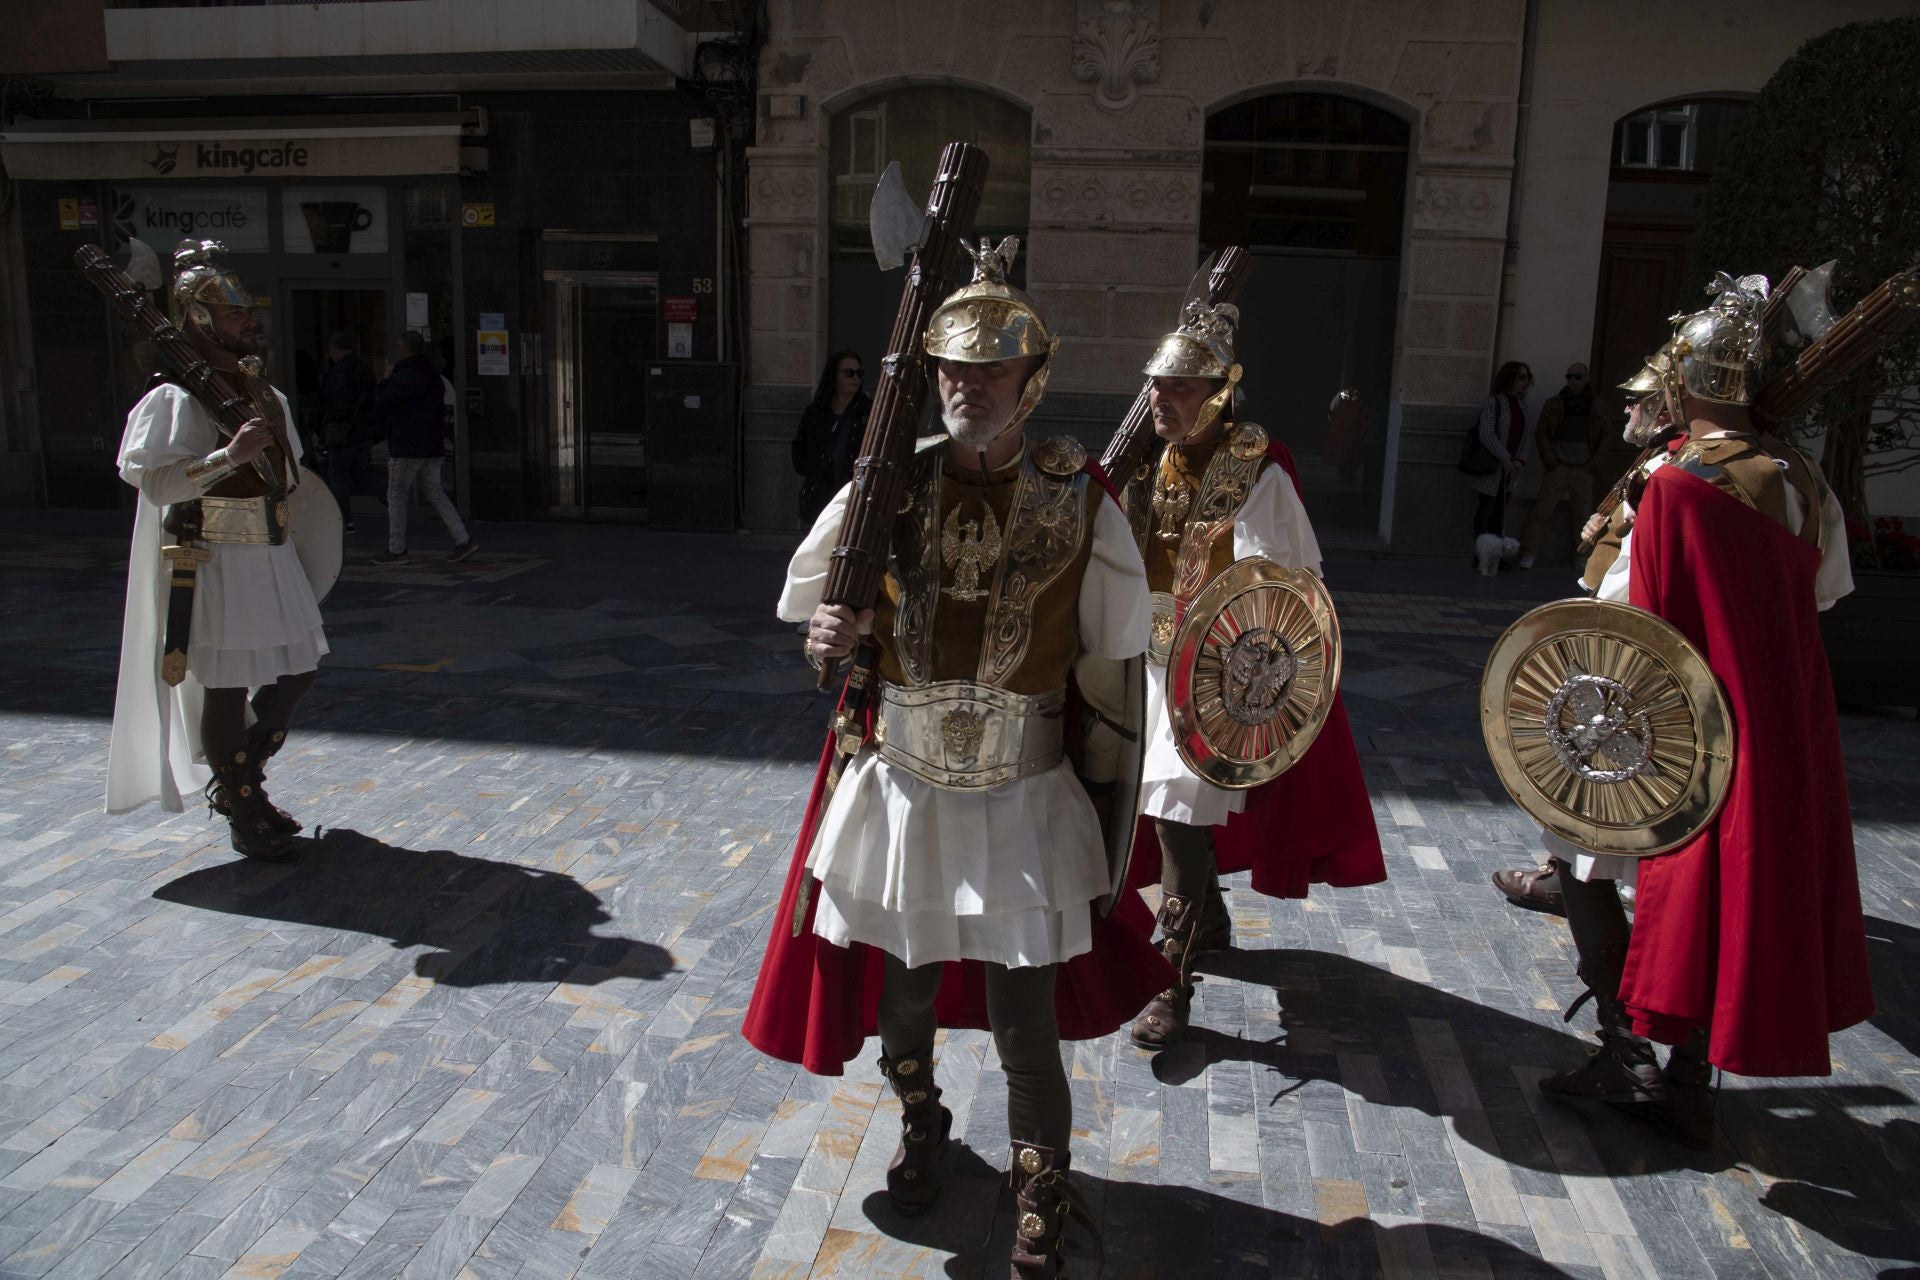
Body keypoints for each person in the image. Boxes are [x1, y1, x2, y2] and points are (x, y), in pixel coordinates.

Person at [742, 238, 1171, 1278]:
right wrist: (825, 641)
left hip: (1024, 789)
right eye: (950, 369)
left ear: (1035, 380)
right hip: (908, 785)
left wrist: (1130, 795)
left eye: (989, 370)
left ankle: (1042, 1184)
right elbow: (814, 606)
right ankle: (923, 1116)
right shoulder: (890, 484)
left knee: (1027, 1012)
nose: (966, 386)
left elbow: (1121, 665)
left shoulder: (1082, 498)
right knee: (905, 989)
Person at [1498, 273, 1871, 1149]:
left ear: (1687, 384)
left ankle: (1627, 1056)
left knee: (1579, 862)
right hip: (1776, 721)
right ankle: (1690, 1081)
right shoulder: (1805, 479)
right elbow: (1825, 593)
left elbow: (1627, 623)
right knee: (1721, 898)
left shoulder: (1671, 484)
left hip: (1667, 727)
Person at [1116, 302, 1385, 1051]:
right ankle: (1207, 914)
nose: (1160, 400)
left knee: (1173, 810)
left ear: (1220, 390)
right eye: (1155, 385)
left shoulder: (1256, 471)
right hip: (1144, 660)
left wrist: (1243, 682)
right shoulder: (1146, 460)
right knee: (1157, 812)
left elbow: (1285, 583)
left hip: (1214, 679)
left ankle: (1170, 979)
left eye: (1178, 387)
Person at [105, 239, 328, 862]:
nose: (248, 322)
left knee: (301, 667)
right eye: (234, 315)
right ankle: (242, 805)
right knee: (226, 684)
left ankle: (239, 784)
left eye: (245, 313)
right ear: (198, 319)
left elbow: (292, 479)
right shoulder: (174, 398)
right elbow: (155, 483)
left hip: (272, 550)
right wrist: (226, 457)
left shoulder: (262, 392)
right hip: (216, 556)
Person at [373, 330, 475, 565]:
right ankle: (463, 539)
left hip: (407, 446)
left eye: (399, 346)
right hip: (432, 444)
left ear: (404, 349)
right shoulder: (433, 376)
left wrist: (385, 379)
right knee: (435, 492)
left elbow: (381, 403)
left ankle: (396, 549)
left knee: (397, 495)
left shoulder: (404, 376)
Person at [1516, 362, 1605, 570]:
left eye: (1578, 377)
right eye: (1569, 377)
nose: (1573, 381)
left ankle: (1581, 556)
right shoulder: (1555, 403)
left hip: (1584, 467)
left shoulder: (1598, 405)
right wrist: (1550, 460)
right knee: (1542, 512)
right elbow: (1542, 432)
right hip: (1559, 465)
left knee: (1583, 516)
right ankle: (1528, 553)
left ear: (1587, 379)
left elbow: (1606, 437)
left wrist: (1594, 464)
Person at [790, 349, 869, 524]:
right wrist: (811, 469)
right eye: (849, 373)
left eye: (859, 373)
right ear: (834, 376)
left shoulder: (867, 411)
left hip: (853, 491)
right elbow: (799, 445)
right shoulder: (817, 411)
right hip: (822, 492)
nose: (855, 378)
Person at [1467, 360, 1535, 546]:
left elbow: (1527, 436)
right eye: (1521, 377)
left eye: (1527, 378)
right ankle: (1482, 554)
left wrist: (1520, 460)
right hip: (1492, 469)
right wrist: (1505, 458)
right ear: (1509, 378)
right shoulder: (1494, 402)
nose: (1525, 381)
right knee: (1486, 512)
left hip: (1510, 471)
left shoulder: (1522, 406)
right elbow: (1486, 433)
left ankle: (1497, 554)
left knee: (1501, 514)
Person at [319, 331, 379, 532]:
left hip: (343, 432)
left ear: (335, 349)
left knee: (339, 477)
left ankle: (345, 520)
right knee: (362, 475)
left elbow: (337, 404)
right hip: (362, 432)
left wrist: (329, 422)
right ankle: (393, 503)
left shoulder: (338, 373)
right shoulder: (363, 368)